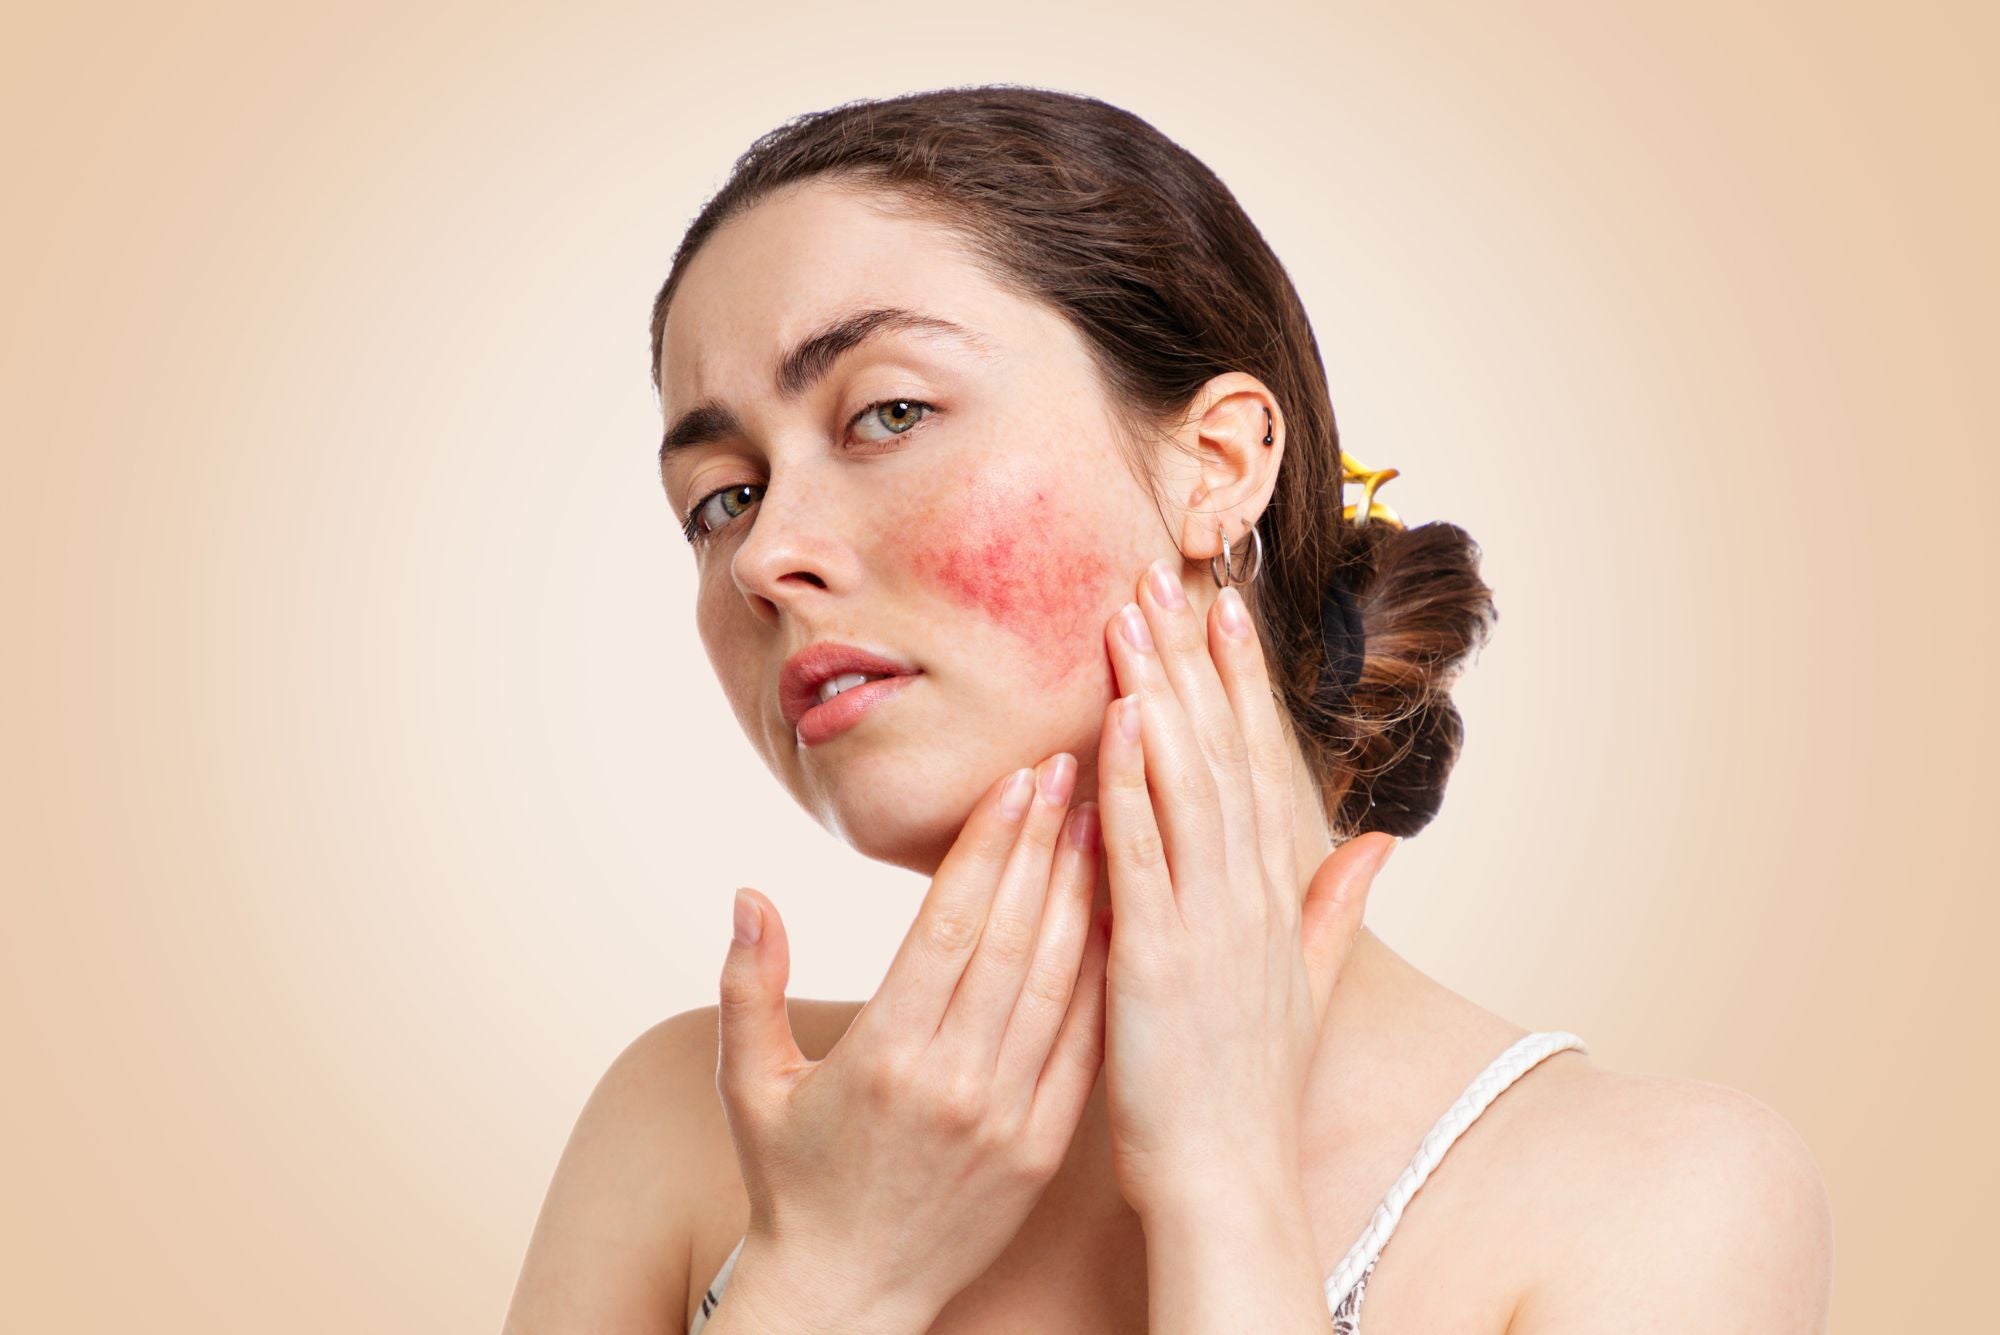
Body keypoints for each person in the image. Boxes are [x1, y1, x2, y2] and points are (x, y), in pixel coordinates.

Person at [505, 85, 1833, 1333]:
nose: (762, 554)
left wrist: (1225, 1189)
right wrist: (828, 1273)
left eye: (888, 412)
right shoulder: (684, 1128)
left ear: (1219, 462)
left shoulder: (1657, 1200)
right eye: (719, 497)